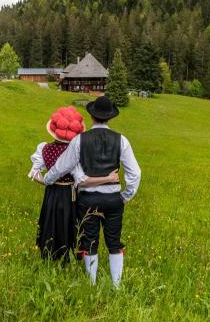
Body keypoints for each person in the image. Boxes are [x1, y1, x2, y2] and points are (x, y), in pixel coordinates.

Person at [43, 96, 141, 287]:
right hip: (113, 199)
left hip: (88, 200)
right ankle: (117, 286)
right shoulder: (121, 140)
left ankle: (91, 284)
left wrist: (47, 179)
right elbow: (135, 173)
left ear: (92, 116)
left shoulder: (80, 140)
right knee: (114, 242)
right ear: (110, 118)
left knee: (89, 241)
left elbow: (61, 167)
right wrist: (125, 196)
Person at [28, 106, 120, 262]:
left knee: (52, 221)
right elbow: (82, 179)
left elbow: (33, 173)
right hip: (71, 193)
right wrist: (109, 179)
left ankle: (50, 255)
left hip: (51, 193)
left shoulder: (44, 148)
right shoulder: (76, 152)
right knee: (71, 223)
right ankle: (69, 256)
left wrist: (47, 182)